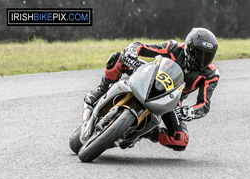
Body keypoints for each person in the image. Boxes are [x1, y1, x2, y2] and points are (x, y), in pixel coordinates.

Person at [82, 28, 220, 151]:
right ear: (188, 48)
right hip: (149, 77)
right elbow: (141, 46)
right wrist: (132, 52)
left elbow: (204, 104)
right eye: (198, 54)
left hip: (171, 100)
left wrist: (189, 111)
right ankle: (101, 90)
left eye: (207, 56)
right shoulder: (173, 47)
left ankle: (146, 132)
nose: (202, 60)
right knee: (119, 57)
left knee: (180, 139)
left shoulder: (211, 74)